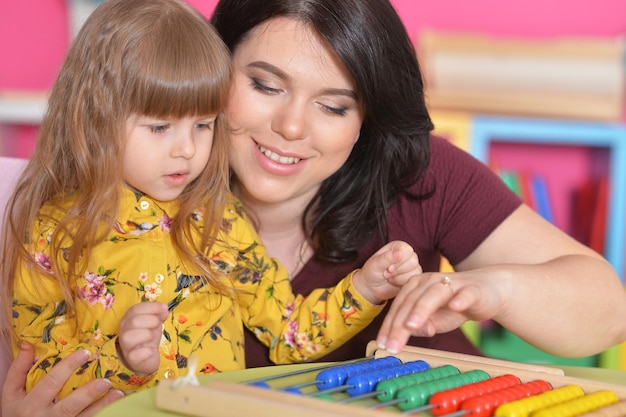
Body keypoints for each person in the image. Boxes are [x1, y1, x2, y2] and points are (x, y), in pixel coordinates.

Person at [4, 0, 626, 415]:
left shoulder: (416, 174)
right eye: (264, 85)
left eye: (334, 106)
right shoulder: (99, 211)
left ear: (366, 118)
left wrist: (490, 290)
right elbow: (38, 345)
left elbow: (604, 310)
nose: (292, 126)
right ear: (208, 68)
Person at [0, 0, 420, 405]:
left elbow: (288, 335)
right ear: (96, 118)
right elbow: (36, 379)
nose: (186, 149)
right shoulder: (52, 231)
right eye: (160, 127)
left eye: (203, 124)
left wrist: (363, 290)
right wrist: (121, 361)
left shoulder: (219, 220)